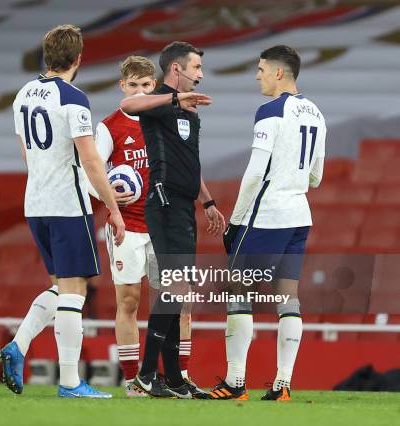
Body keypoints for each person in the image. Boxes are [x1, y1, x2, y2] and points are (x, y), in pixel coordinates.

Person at [0, 24, 125, 399]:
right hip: (67, 203)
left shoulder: (22, 95)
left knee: (59, 286)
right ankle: (70, 382)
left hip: (35, 201)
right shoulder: (73, 98)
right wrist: (114, 210)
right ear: (79, 59)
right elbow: (90, 159)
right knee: (75, 291)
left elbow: (26, 151)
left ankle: (18, 345)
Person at [212, 45, 326, 401]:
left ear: (279, 73)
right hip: (298, 215)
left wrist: (235, 220)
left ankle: (234, 382)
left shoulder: (271, 111)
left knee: (238, 291)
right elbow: (316, 177)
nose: (257, 75)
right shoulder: (317, 114)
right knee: (287, 296)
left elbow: (254, 172)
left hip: (268, 216)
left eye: (261, 69)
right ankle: (283, 384)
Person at [91, 55, 205, 397]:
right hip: (127, 226)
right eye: (133, 86)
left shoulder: (164, 117)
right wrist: (109, 200)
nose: (140, 91)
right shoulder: (109, 126)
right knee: (128, 301)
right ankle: (133, 380)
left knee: (179, 300)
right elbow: (91, 172)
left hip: (162, 221)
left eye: (146, 85)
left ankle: (178, 376)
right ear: (122, 87)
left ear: (153, 86)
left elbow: (186, 164)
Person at [120, 41, 225, 398]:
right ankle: (147, 374)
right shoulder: (160, 100)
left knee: (178, 291)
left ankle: (175, 380)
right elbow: (127, 104)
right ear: (176, 69)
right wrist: (173, 99)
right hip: (163, 204)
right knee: (175, 288)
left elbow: (189, 164)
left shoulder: (191, 111)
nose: (200, 74)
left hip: (185, 205)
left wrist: (208, 200)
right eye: (196, 67)